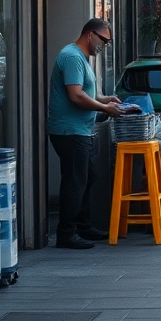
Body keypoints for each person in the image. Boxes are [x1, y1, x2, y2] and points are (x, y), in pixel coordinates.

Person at [47, 18, 123, 249]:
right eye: (104, 40)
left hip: (78, 131)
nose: (104, 46)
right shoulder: (71, 57)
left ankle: (83, 226)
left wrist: (104, 99)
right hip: (70, 132)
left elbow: (85, 92)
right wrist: (105, 109)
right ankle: (66, 234)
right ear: (90, 34)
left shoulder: (80, 58)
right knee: (75, 182)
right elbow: (76, 96)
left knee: (87, 176)